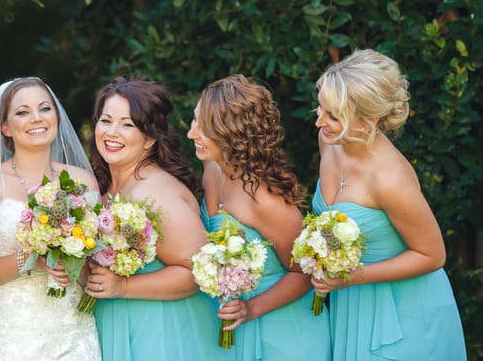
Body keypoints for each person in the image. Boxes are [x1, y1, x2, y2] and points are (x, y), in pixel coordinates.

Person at [312, 49, 466, 360]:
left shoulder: (390, 178)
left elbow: (433, 255)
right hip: (352, 303)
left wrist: (351, 277)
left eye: (332, 116)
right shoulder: (330, 143)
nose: (319, 122)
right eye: (320, 108)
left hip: (403, 316)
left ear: (367, 119)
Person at [189, 75, 331, 360]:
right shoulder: (212, 168)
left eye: (204, 128)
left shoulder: (265, 200)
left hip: (283, 333)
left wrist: (251, 308)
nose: (192, 134)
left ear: (232, 133)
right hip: (234, 326)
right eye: (194, 121)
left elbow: (305, 272)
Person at [0, 77, 102, 360]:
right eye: (22, 112)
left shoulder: (83, 181)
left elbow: (94, 272)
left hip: (73, 332)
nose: (36, 118)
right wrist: (32, 259)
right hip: (13, 335)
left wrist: (73, 264)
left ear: (57, 116)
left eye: (45, 108)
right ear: (4, 127)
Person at [85, 77, 221, 360]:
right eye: (106, 120)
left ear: (149, 138)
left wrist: (123, 287)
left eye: (127, 124)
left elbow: (197, 272)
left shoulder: (156, 192)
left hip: (162, 333)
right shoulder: (104, 187)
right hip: (120, 323)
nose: (112, 132)